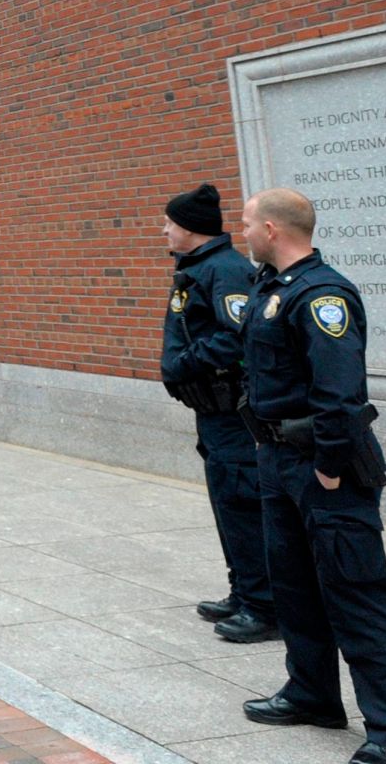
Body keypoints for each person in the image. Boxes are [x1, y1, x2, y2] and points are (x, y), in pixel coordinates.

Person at [236, 188, 386, 764]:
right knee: (294, 587)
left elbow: (340, 394)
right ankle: (312, 692)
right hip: (276, 461)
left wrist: (330, 468)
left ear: (272, 229)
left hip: (322, 466)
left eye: (246, 224)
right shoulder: (272, 288)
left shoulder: (323, 295)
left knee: (356, 594)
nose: (240, 232)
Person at [158, 183, 275, 644]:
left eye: (169, 222)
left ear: (189, 228)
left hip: (233, 416)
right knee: (228, 504)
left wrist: (181, 365)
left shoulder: (223, 271)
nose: (164, 230)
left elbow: (237, 334)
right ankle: (244, 592)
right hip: (212, 413)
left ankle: (265, 607)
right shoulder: (199, 268)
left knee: (244, 506)